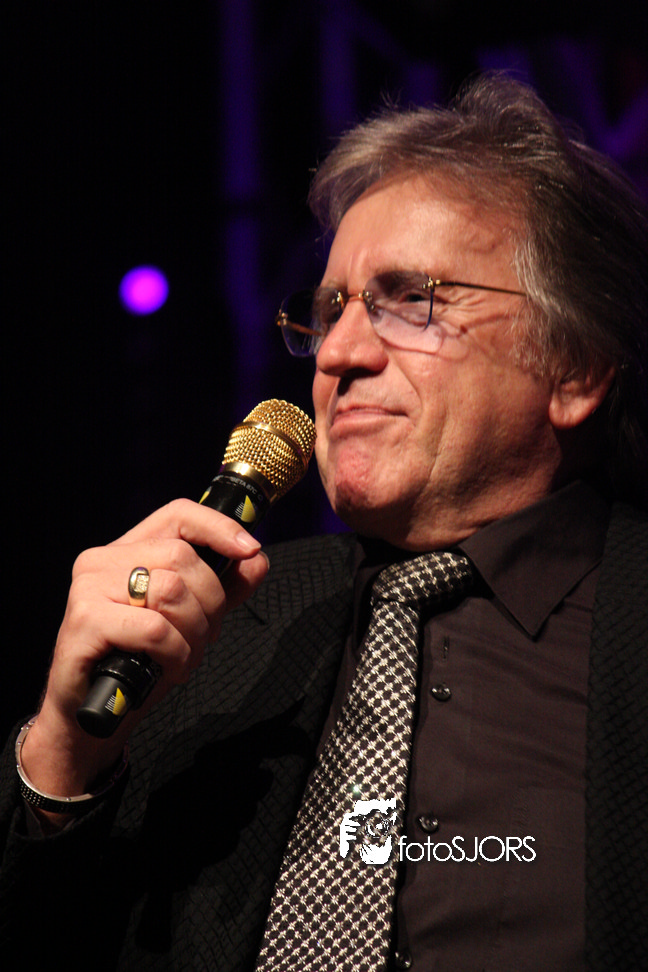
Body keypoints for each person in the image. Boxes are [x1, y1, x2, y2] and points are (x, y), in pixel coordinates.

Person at [1, 74, 646, 972]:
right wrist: (65, 758)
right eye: (330, 310)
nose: (338, 352)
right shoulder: (210, 628)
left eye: (412, 299)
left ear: (573, 368)